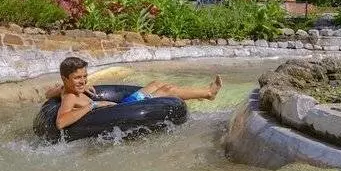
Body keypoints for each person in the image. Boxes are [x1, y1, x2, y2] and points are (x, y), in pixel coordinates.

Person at [48, 56, 223, 130]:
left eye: (85, 76)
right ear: (65, 79)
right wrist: (93, 105)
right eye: (77, 78)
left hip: (122, 106)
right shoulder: (69, 96)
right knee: (166, 91)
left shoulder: (67, 89)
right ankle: (208, 93)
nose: (83, 81)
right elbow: (61, 122)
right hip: (126, 109)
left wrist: (74, 86)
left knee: (157, 84)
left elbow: (49, 93)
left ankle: (200, 95)